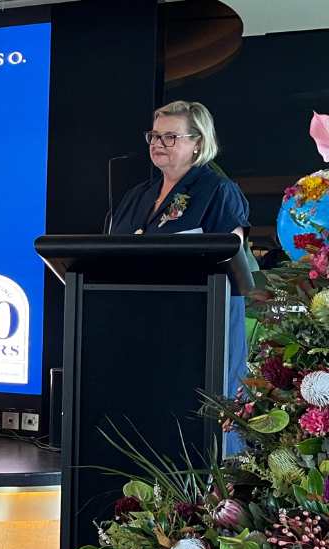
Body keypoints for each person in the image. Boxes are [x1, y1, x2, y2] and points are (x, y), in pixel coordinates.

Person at [108, 100, 250, 452]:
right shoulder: (137, 195)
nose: (158, 143)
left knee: (203, 433)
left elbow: (231, 257)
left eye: (170, 137)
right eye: (154, 136)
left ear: (198, 143)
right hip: (143, 324)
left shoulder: (217, 191)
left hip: (201, 325)